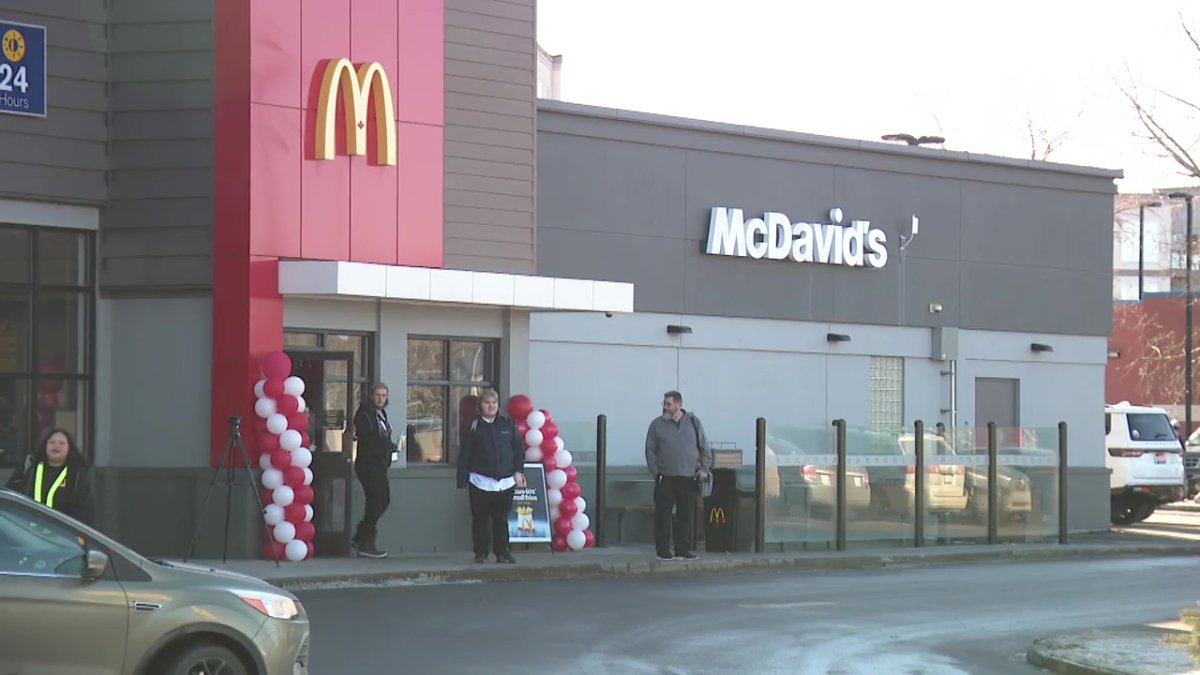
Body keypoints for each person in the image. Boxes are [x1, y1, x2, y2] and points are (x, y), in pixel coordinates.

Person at [456, 389, 525, 564]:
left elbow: (518, 451)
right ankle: (481, 553)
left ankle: (502, 553)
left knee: (501, 519)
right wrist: (461, 480)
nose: (491, 406)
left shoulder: (508, 425)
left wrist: (518, 471)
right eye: (487, 402)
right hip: (479, 481)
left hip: (506, 481)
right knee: (480, 519)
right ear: (480, 406)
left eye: (494, 402)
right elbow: (465, 454)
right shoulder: (473, 427)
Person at [645, 390, 712, 561]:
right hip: (665, 477)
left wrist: (704, 468)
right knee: (663, 516)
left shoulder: (693, 423)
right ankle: (663, 551)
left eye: (668, 404)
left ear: (679, 405)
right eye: (664, 404)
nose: (665, 407)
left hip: (688, 477)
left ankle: (682, 549)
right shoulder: (657, 425)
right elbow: (650, 449)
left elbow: (705, 448)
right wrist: (655, 472)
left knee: (685, 516)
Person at [5, 428, 95, 526]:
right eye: (52, 442)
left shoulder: (77, 475)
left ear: (69, 449)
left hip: (61, 534)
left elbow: (86, 512)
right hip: (28, 532)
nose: (56, 445)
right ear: (45, 445)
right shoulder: (29, 468)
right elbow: (10, 494)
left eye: (62, 443)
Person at [351, 383, 395, 559]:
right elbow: (367, 438)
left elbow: (383, 436)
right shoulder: (365, 415)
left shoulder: (381, 414)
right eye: (377, 395)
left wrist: (390, 447)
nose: (381, 399)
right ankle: (366, 543)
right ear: (371, 396)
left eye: (384, 395)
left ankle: (360, 536)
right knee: (377, 501)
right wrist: (385, 445)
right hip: (368, 464)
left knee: (382, 501)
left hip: (380, 464)